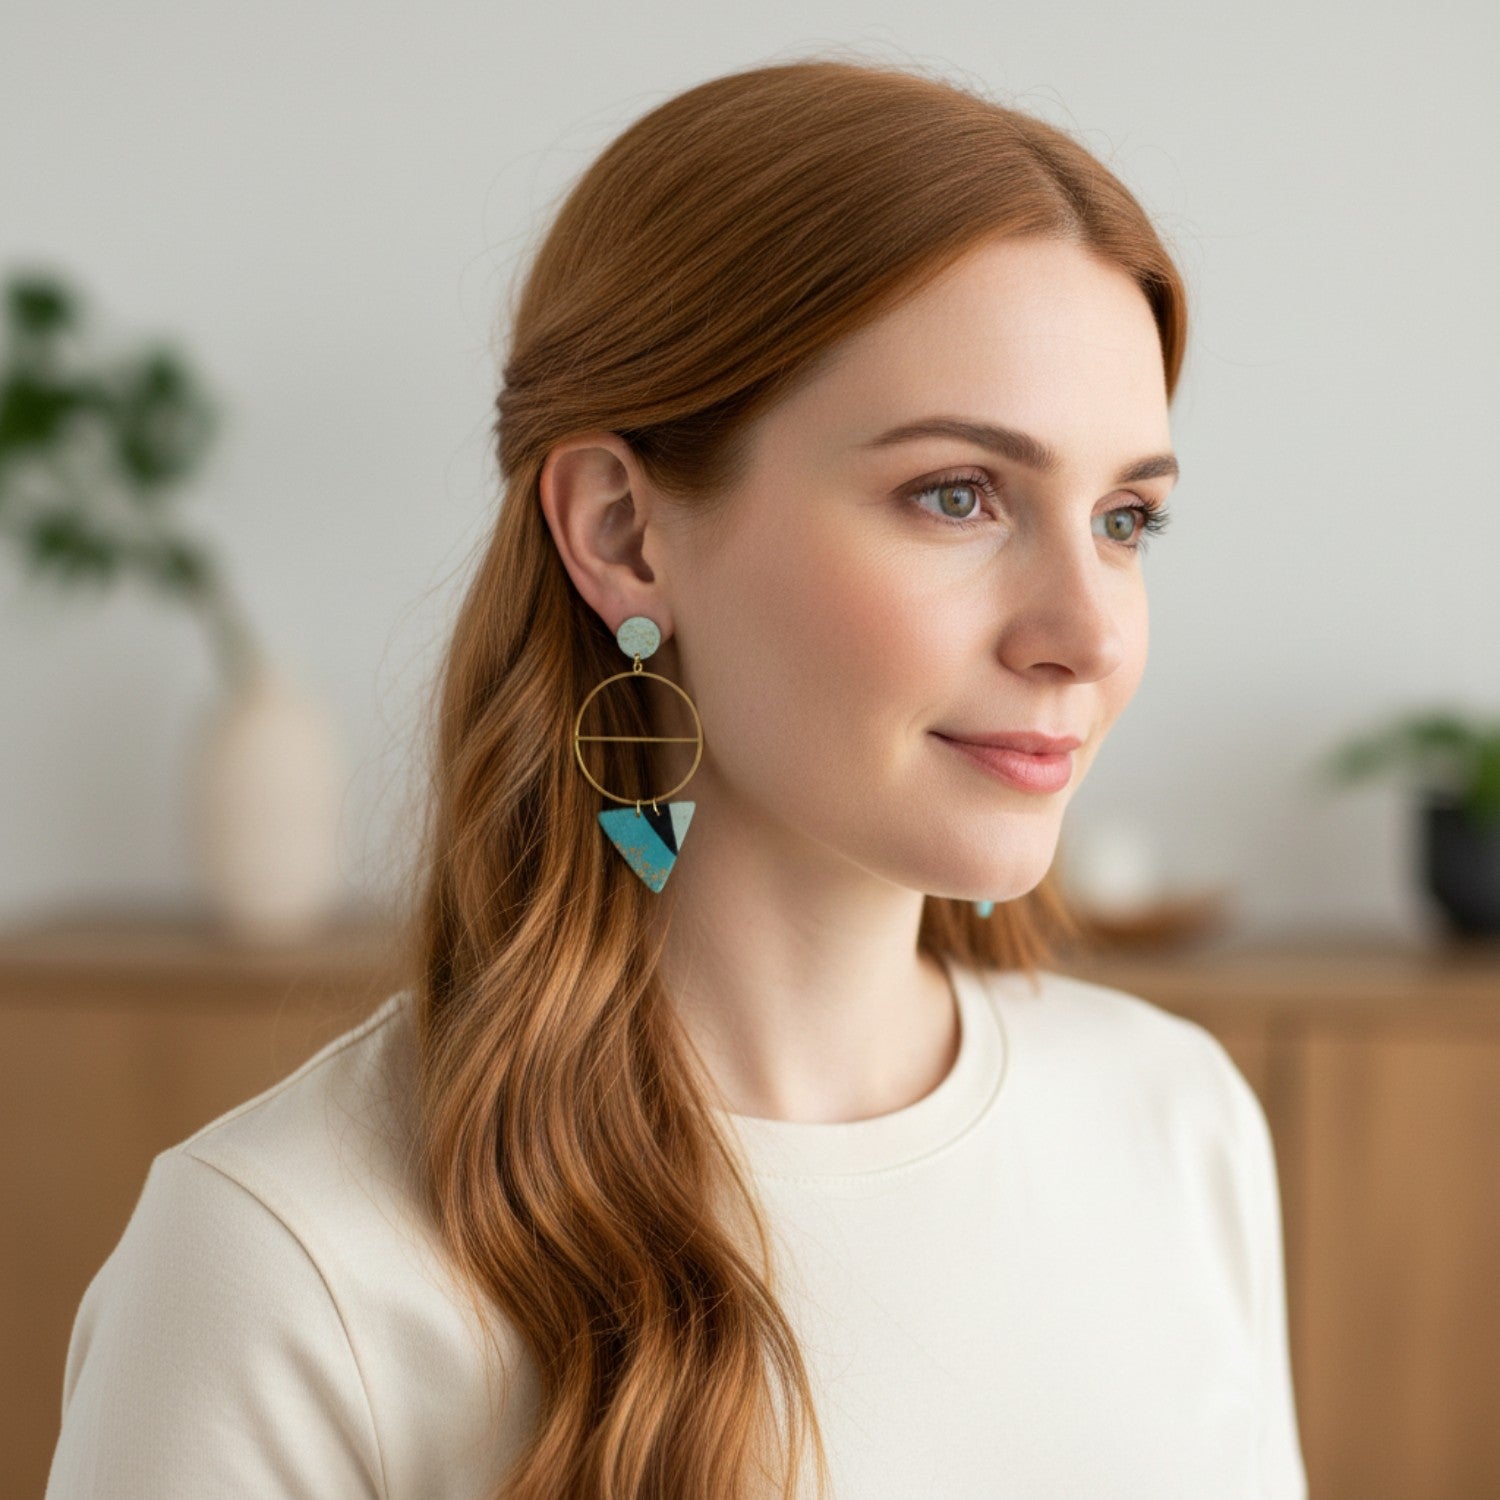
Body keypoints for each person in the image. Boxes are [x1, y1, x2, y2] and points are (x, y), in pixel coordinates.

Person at [45, 55, 1308, 1500]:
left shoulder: (1175, 1125)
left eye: (1127, 518)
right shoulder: (285, 1266)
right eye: (957, 495)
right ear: (622, 532)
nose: (1089, 634)